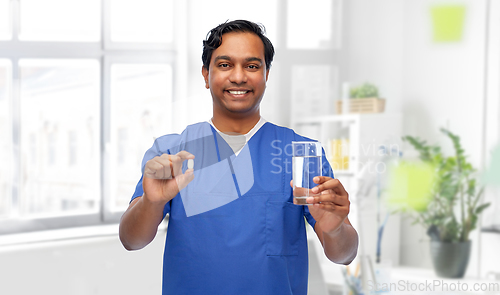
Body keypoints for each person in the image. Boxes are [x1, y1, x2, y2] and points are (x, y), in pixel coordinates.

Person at [119, 19, 358, 295]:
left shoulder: (300, 153)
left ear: (266, 74)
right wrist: (151, 201)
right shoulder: (172, 153)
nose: (239, 76)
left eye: (252, 65)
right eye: (224, 65)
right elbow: (131, 240)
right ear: (205, 75)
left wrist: (336, 229)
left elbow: (344, 255)